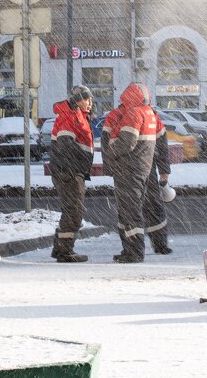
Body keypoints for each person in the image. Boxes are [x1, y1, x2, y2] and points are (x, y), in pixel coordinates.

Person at [102, 82, 158, 263]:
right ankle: (129, 249)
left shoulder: (134, 113)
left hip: (129, 169)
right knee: (130, 210)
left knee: (129, 212)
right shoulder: (149, 113)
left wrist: (110, 153)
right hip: (142, 168)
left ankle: (133, 252)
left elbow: (127, 143)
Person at [50, 85, 95, 263]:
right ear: (78, 100)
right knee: (73, 212)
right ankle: (63, 251)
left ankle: (61, 248)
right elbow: (64, 146)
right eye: (87, 99)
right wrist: (70, 171)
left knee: (72, 211)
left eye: (91, 99)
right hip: (69, 172)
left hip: (73, 172)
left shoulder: (78, 116)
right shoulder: (70, 117)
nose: (90, 102)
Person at [143, 106, 173, 255]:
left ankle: (157, 245)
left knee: (152, 206)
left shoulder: (152, 116)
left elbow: (161, 145)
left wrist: (164, 170)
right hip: (142, 169)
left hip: (143, 169)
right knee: (152, 206)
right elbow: (162, 146)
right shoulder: (151, 116)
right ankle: (158, 245)